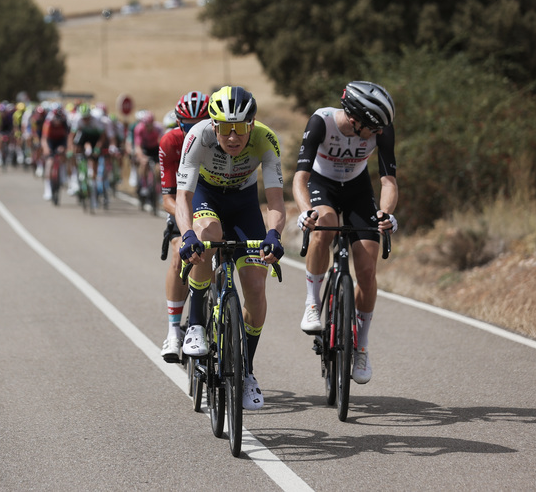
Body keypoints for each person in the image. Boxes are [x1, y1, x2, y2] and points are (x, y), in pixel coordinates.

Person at [177, 85, 286, 411]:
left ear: (252, 124)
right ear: (214, 125)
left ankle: (247, 371)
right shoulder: (197, 137)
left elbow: (277, 201)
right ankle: (196, 323)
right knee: (207, 232)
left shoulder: (266, 140)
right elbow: (183, 197)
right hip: (206, 197)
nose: (234, 136)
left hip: (244, 204)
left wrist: (274, 234)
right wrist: (186, 236)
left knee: (255, 287)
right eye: (225, 127)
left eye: (241, 127)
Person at [292, 80, 398, 385]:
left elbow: (388, 182)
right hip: (321, 186)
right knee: (322, 226)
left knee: (366, 269)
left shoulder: (382, 128)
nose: (378, 134)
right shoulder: (321, 122)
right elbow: (300, 178)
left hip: (357, 190)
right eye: (373, 128)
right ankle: (313, 303)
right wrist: (305, 212)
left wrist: (386, 213)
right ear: (354, 119)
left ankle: (361, 346)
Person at [158, 90, 210, 363]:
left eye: (199, 125)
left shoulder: (219, 138)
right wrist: (184, 216)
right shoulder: (170, 141)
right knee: (180, 254)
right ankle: (173, 332)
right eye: (186, 126)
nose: (192, 132)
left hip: (213, 204)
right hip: (183, 208)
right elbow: (167, 197)